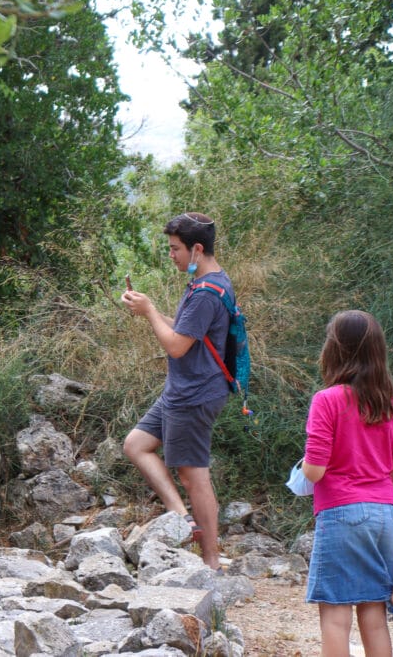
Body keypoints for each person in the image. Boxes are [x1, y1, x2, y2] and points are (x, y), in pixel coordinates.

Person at [121, 211, 233, 571]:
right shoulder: (203, 283)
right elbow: (186, 332)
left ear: (196, 249)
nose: (171, 255)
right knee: (136, 445)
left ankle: (211, 560)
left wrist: (151, 310)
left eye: (175, 249)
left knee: (193, 475)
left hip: (196, 393)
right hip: (181, 389)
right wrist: (147, 313)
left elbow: (176, 347)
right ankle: (183, 518)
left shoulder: (207, 292)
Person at [301, 310, 393, 657]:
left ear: (335, 350)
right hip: (385, 516)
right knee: (374, 613)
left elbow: (314, 472)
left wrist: (305, 464)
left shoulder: (327, 400)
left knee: (335, 615)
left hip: (342, 512)